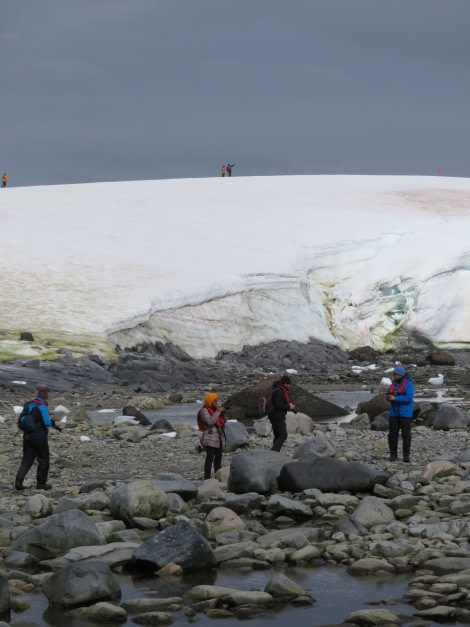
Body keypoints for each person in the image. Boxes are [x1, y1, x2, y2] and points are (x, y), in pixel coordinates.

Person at [15, 387, 61, 490]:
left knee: (27, 460)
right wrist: (53, 423)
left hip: (27, 437)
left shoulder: (29, 405)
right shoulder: (41, 406)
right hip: (39, 438)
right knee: (44, 460)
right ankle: (41, 483)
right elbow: (46, 422)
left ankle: (18, 482)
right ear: (45, 398)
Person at [386, 365, 415, 462]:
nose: (394, 375)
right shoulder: (393, 384)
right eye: (394, 373)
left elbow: (408, 398)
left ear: (400, 375)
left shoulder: (408, 384)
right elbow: (388, 395)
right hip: (394, 414)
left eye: (396, 374)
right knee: (392, 435)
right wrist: (388, 397)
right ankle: (393, 455)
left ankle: (406, 456)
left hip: (405, 414)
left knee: (406, 435)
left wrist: (395, 398)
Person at [199, 392, 227, 480]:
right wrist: (218, 412)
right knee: (209, 458)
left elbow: (223, 422)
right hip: (210, 437)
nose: (217, 403)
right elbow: (210, 422)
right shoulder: (204, 410)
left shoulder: (216, 410)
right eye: (215, 401)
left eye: (217, 401)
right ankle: (207, 477)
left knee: (218, 458)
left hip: (219, 437)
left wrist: (223, 413)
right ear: (210, 401)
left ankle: (218, 476)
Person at [268, 375, 295, 452]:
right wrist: (289, 407)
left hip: (274, 416)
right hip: (277, 416)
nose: (290, 386)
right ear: (285, 384)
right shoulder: (280, 392)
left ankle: (274, 452)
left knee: (277, 435)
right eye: (289, 384)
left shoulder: (277, 390)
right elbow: (278, 405)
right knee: (283, 435)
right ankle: (274, 452)